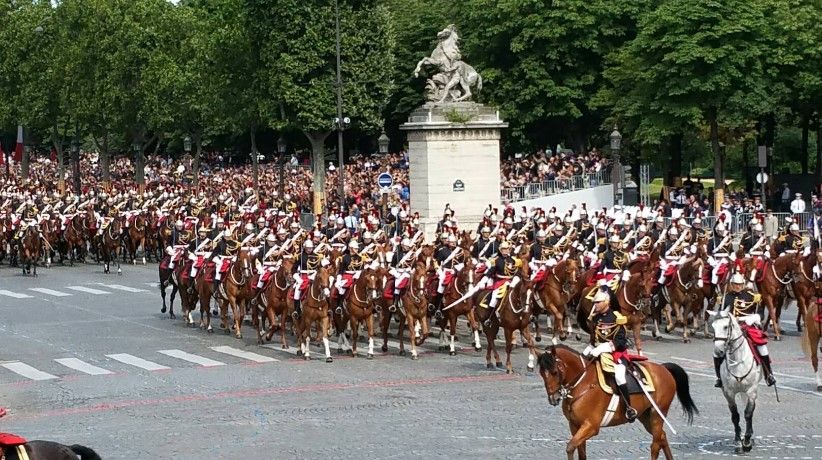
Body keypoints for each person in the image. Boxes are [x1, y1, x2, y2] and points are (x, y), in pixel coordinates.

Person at [584, 288, 637, 422]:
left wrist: (603, 347)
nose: (595, 305)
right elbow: (594, 339)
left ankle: (628, 408)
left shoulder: (617, 318)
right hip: (598, 353)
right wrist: (587, 350)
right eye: (594, 302)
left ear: (606, 302)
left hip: (616, 354)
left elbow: (621, 341)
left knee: (619, 377)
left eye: (598, 302)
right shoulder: (595, 318)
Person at [713, 273, 776, 387]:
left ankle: (769, 374)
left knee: (762, 348)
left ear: (743, 285)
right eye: (735, 284)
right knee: (717, 351)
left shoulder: (751, 296)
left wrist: (754, 318)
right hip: (732, 327)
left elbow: (760, 313)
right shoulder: (725, 298)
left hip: (748, 326)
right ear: (731, 285)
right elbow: (721, 313)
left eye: (740, 284)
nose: (737, 287)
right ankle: (718, 377)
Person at [479, 240, 521, 326]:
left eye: (507, 249)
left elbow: (517, 272)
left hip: (511, 282)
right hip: (500, 282)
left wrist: (516, 279)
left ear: (509, 250)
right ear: (500, 250)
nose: (505, 251)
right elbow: (490, 272)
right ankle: (489, 317)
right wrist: (484, 281)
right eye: (503, 249)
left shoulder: (514, 260)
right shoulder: (496, 260)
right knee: (494, 298)